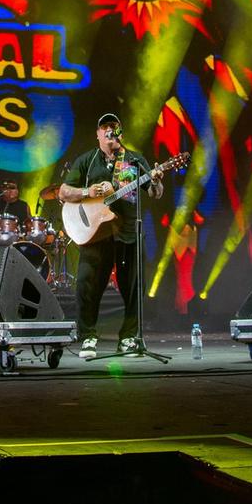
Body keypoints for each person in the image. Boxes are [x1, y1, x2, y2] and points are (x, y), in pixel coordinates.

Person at [59, 113, 163, 358]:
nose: (109, 130)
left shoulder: (135, 160)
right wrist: (88, 190)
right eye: (104, 126)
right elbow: (64, 192)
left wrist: (157, 180)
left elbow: (155, 193)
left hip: (127, 233)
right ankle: (88, 338)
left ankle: (129, 337)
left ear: (120, 133)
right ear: (97, 133)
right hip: (95, 236)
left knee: (134, 286)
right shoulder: (87, 160)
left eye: (113, 126)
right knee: (87, 284)